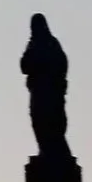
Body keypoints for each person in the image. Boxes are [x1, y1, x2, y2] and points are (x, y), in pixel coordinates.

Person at [22, 14, 70, 158]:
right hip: (38, 93)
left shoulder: (51, 44)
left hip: (49, 94)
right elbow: (24, 66)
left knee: (51, 124)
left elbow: (61, 64)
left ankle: (55, 155)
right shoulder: (33, 45)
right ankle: (46, 151)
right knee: (38, 121)